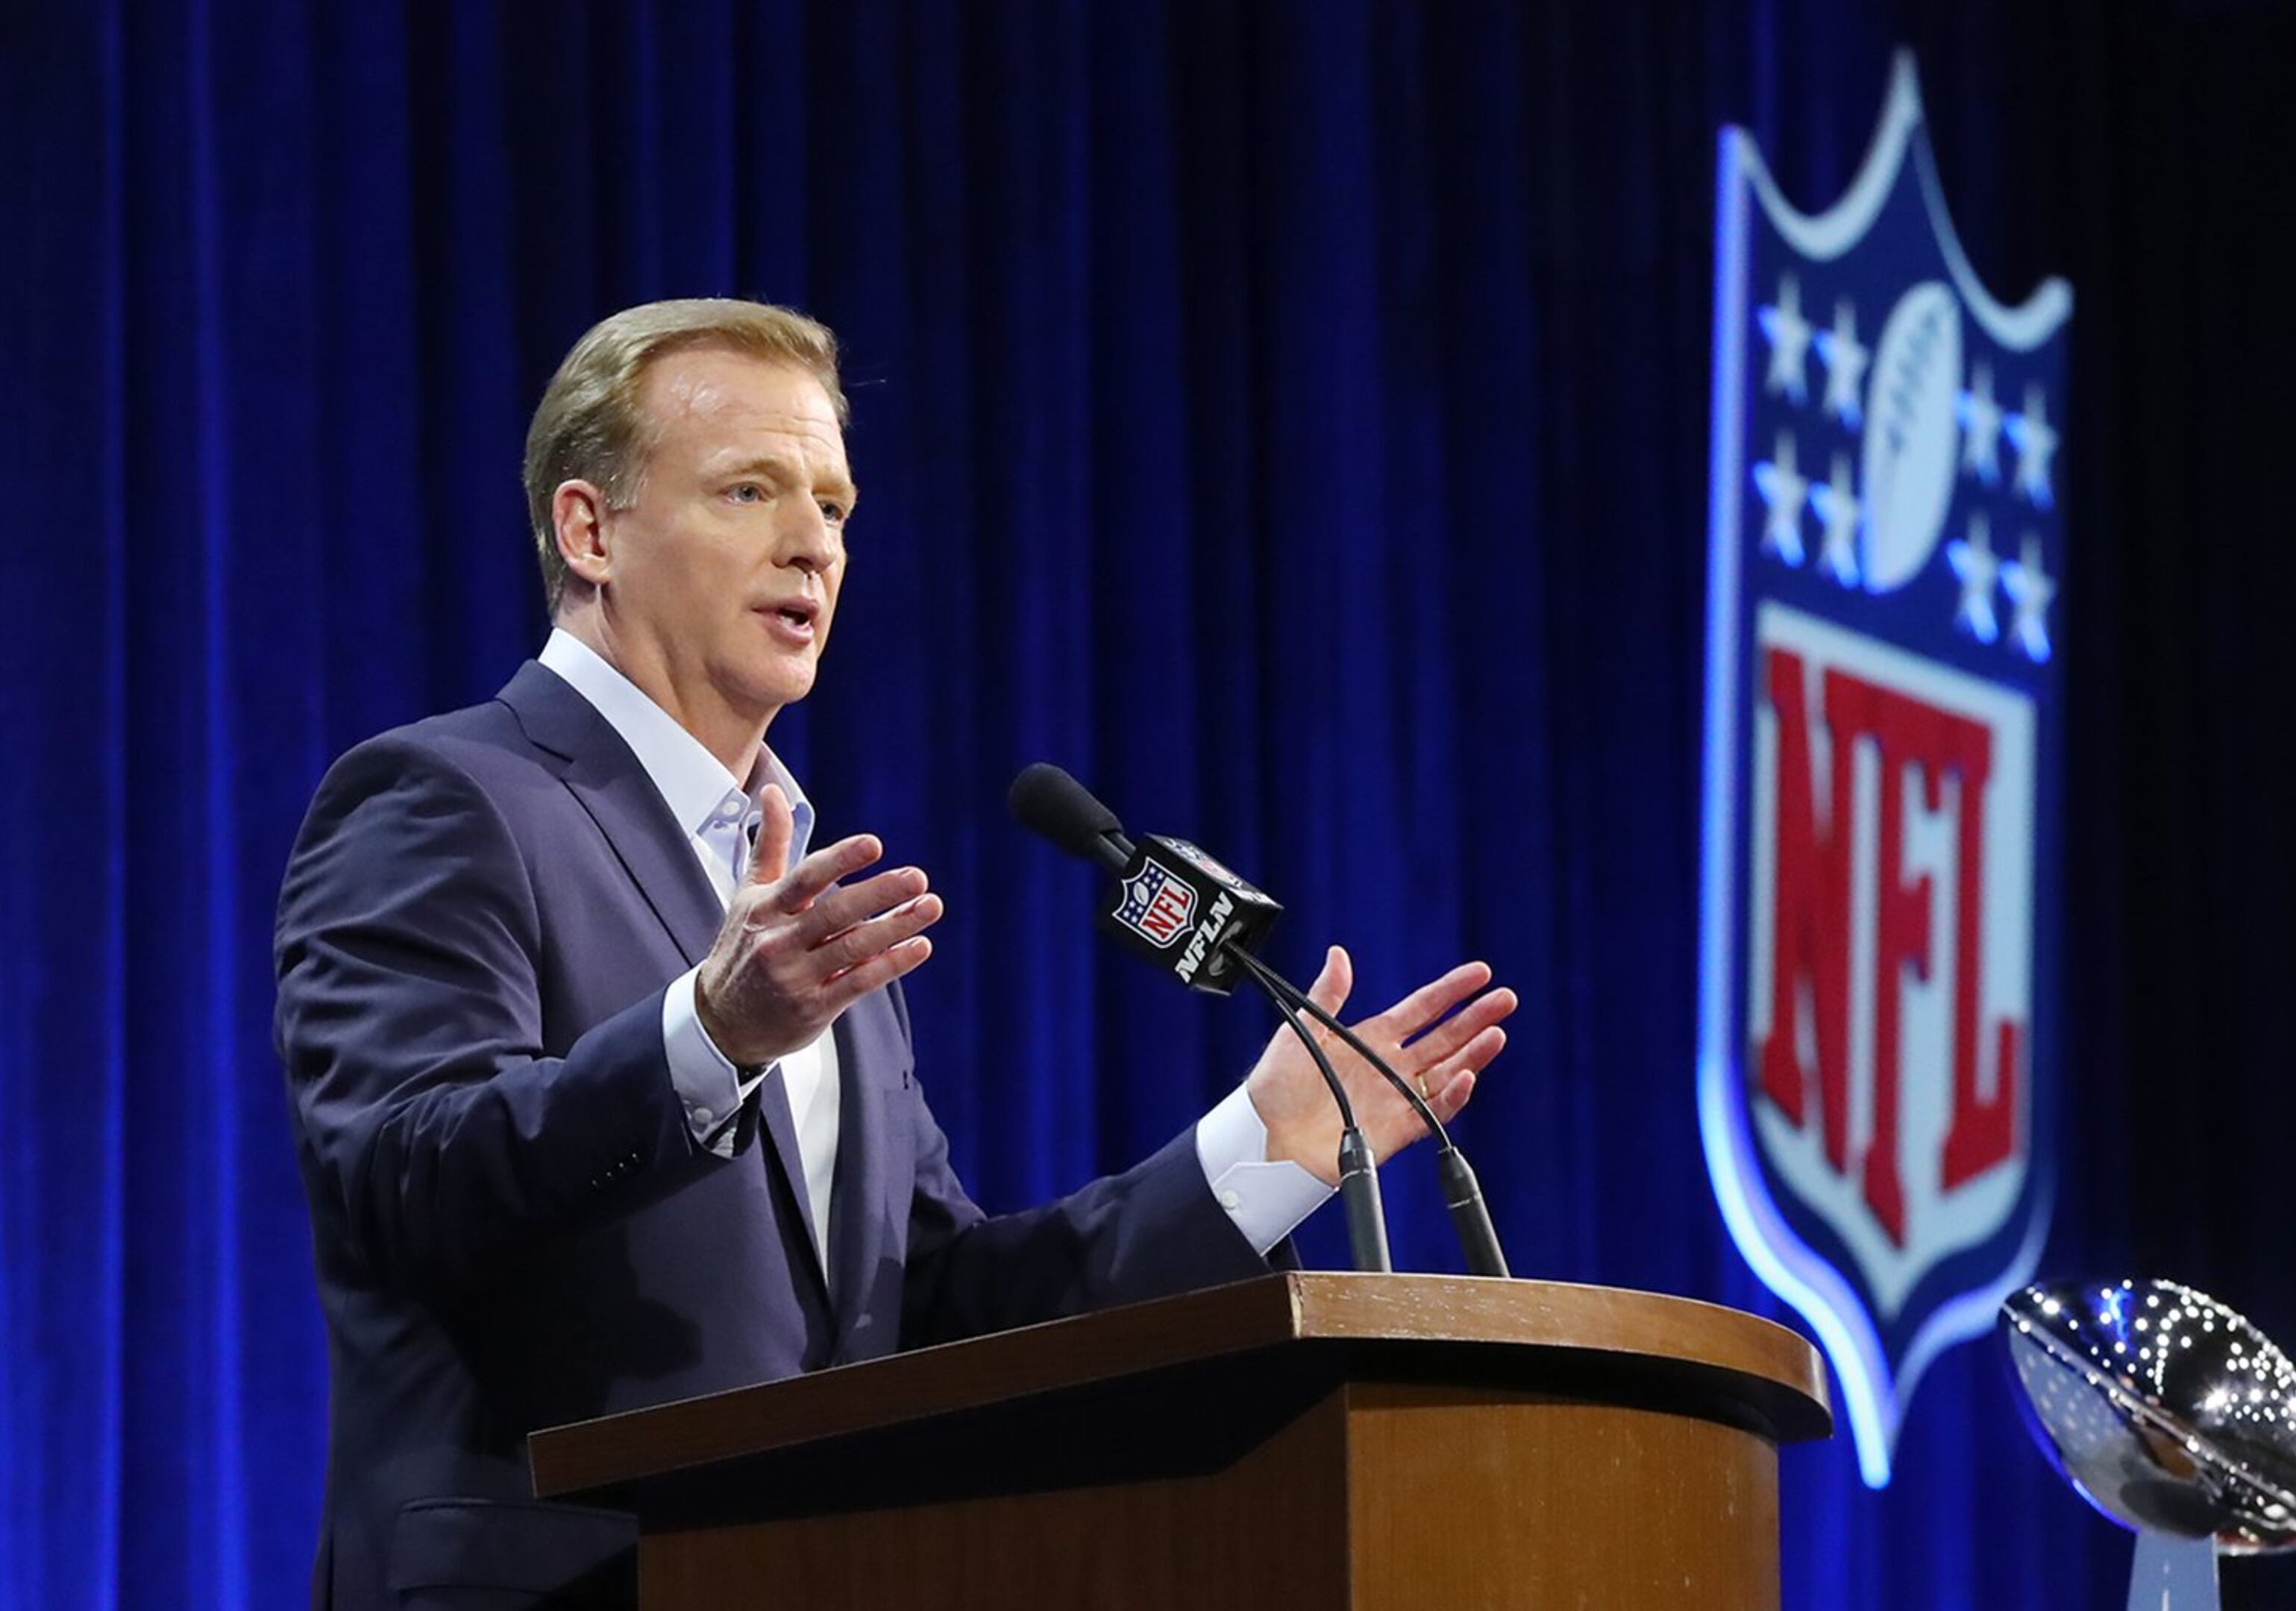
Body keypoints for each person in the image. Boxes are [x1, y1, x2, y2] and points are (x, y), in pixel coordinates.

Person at [272, 298, 1515, 1611]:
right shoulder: (445, 798)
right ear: (590, 531)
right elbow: (402, 1177)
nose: (813, 543)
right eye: (750, 490)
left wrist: (1260, 1150)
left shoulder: (803, 907)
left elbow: (929, 1312)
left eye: (834, 506)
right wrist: (709, 1038)